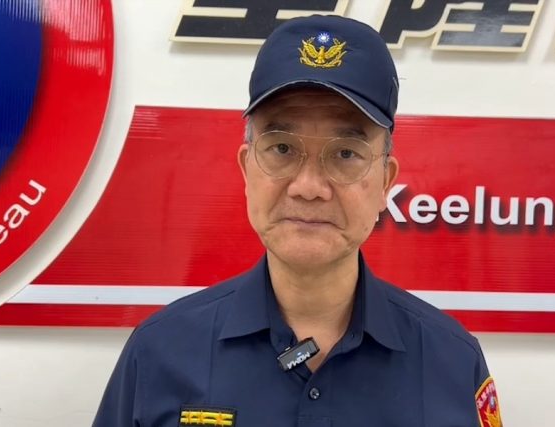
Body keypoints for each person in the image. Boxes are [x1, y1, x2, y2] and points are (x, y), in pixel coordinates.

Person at [94, 14, 502, 427]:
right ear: (246, 169)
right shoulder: (159, 352)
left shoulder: (452, 362)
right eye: (282, 148)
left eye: (346, 153)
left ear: (385, 182)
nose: (308, 187)